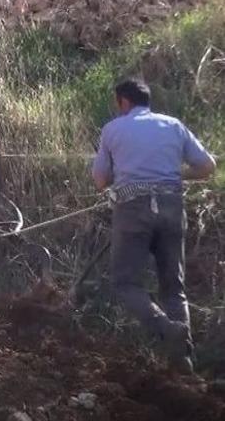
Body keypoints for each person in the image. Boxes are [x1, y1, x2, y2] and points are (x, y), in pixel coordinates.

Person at [92, 77, 217, 375]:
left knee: (125, 284)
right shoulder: (173, 125)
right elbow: (208, 165)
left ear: (124, 102)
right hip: (172, 206)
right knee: (174, 289)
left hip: (133, 208)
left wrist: (121, 174)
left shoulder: (113, 129)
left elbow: (99, 180)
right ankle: (183, 361)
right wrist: (174, 176)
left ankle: (166, 328)